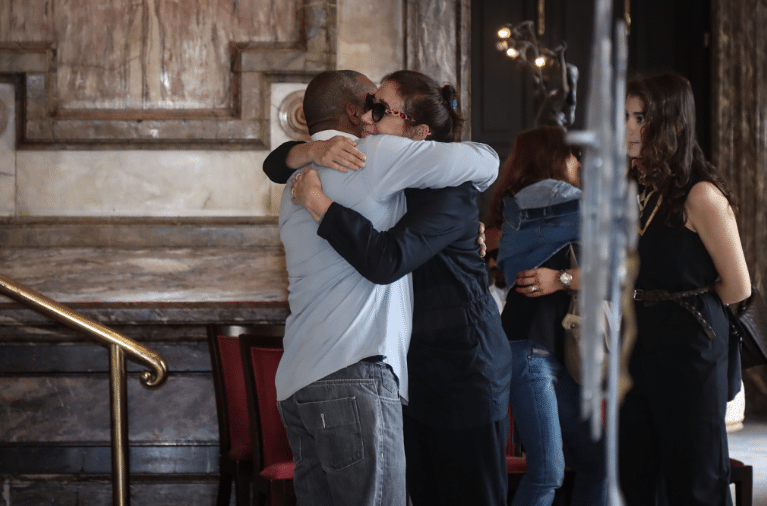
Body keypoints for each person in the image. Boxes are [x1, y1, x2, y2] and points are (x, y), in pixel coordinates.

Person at [272, 70, 512, 506]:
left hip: (462, 372)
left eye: (379, 110)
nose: (367, 117)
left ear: (418, 134)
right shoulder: (365, 165)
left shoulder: (409, 174)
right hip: (401, 372)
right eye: (367, 105)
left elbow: (387, 260)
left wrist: (319, 202)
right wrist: (307, 150)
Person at [619, 73, 751, 506]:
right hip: (639, 340)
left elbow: (737, 286)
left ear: (670, 123)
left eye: (639, 118)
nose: (627, 128)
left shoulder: (702, 196)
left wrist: (680, 299)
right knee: (637, 472)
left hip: (692, 342)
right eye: (624, 116)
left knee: (694, 475)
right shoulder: (635, 190)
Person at [485, 125, 607, 506]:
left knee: (596, 463)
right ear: (557, 158)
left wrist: (564, 278)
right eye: (575, 156)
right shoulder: (560, 199)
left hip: (550, 348)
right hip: (534, 350)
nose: (579, 165)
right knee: (548, 472)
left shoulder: (516, 209)